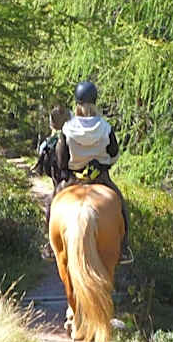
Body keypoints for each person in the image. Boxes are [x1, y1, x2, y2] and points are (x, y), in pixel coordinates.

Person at [50, 80, 132, 264]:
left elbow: (62, 161)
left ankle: (49, 246)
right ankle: (124, 247)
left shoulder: (67, 129)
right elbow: (114, 153)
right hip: (100, 179)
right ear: (95, 101)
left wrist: (70, 166)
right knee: (121, 207)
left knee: (51, 203)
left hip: (73, 179)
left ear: (76, 103)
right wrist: (103, 164)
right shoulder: (105, 127)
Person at [30, 105, 71, 188]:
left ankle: (39, 166)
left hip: (59, 133)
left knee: (43, 147)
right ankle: (39, 167)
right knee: (43, 147)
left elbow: (52, 125)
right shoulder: (65, 112)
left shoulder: (59, 112)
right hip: (63, 133)